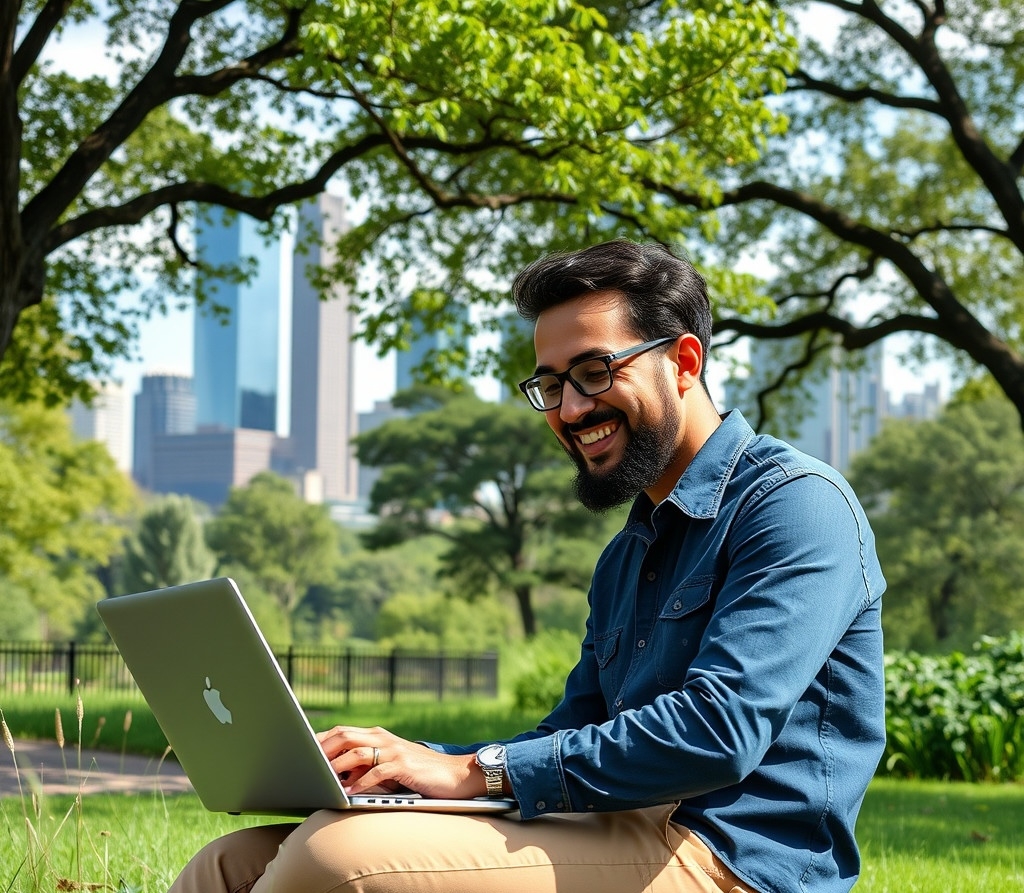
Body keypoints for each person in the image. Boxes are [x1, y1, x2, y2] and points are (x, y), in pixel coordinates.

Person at [169, 240, 885, 893]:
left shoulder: (796, 506)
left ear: (685, 362)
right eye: (550, 384)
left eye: (595, 371)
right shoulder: (626, 555)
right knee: (227, 863)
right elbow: (572, 729)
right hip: (620, 823)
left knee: (331, 860)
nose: (571, 408)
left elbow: (717, 732)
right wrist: (408, 763)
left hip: (734, 859)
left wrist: (475, 771)